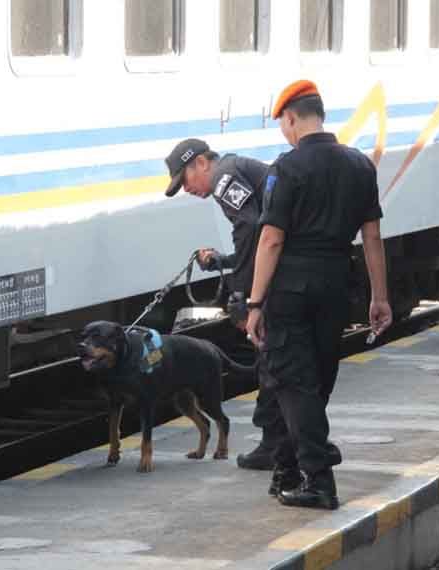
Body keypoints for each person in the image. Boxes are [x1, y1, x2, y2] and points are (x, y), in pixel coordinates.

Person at [245, 80, 392, 510]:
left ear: (292, 118)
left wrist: (255, 302)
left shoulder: (286, 168)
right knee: (317, 380)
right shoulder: (361, 165)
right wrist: (378, 295)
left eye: (283, 125)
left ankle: (319, 479)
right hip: (336, 284)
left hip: (291, 285)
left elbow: (271, 239)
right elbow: (372, 236)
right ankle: (287, 469)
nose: (285, 133)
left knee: (292, 381)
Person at [163, 138, 281, 471]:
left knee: (271, 360)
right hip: (283, 272)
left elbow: (250, 227)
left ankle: (274, 444)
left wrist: (244, 295)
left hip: (278, 282)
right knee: (274, 360)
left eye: (185, 180)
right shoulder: (236, 171)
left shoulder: (224, 177)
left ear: (201, 162)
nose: (186, 189)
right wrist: (223, 262)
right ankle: (278, 441)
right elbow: (255, 234)